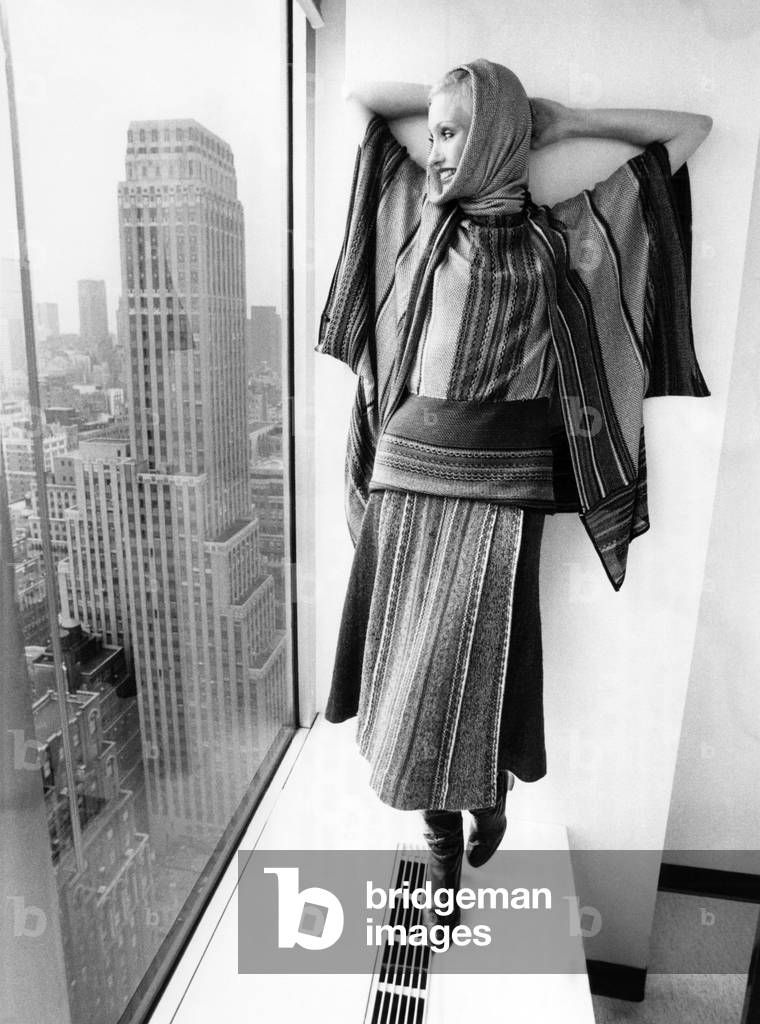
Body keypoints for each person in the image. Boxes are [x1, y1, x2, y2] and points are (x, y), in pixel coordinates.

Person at [315, 58, 712, 938]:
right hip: (405, 484)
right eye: (439, 132)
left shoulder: (561, 237)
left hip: (500, 495)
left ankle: (474, 809)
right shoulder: (420, 218)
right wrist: (457, 107)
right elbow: (361, 102)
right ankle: (442, 830)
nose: (440, 148)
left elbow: (690, 135)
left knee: (470, 673)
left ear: (498, 136)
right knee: (403, 680)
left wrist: (564, 121)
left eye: (458, 132)